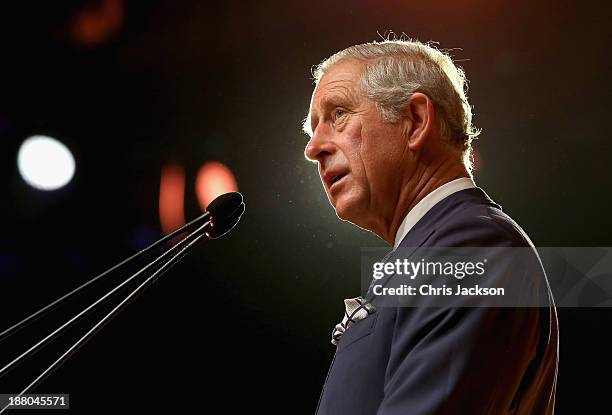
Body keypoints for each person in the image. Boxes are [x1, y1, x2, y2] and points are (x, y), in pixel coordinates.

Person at [303, 39, 558, 415]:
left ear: (416, 121)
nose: (314, 148)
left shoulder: (471, 247)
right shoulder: (431, 250)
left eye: (338, 114)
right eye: (313, 129)